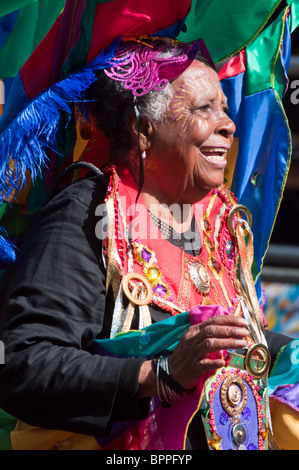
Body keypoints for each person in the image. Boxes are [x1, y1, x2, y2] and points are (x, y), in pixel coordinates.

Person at [0, 36, 294, 451]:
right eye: (203, 108)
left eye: (224, 109)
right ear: (143, 129)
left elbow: (238, 351)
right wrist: (161, 375)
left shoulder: (220, 225)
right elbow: (22, 364)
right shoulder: (87, 216)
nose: (228, 125)